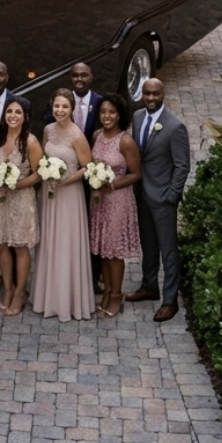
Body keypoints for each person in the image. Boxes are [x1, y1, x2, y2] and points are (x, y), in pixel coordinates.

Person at [125, 77, 190, 323]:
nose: (151, 98)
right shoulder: (138, 117)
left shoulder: (175, 127)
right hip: (141, 192)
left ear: (163, 94)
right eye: (147, 94)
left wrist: (171, 196)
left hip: (163, 198)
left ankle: (170, 300)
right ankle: (149, 285)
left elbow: (182, 166)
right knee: (148, 244)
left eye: (156, 94)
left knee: (168, 249)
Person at [30, 87, 95, 321]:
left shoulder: (77, 136)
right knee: (49, 242)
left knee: (66, 243)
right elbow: (44, 159)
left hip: (69, 196)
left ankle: (68, 300)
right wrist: (47, 176)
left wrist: (64, 181)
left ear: (72, 109)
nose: (60, 110)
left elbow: (88, 168)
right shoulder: (47, 130)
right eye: (56, 106)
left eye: (64, 106)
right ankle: (47, 296)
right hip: (49, 194)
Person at [88, 93, 142, 318]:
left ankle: (117, 294)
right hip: (99, 200)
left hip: (118, 199)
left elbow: (137, 174)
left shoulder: (125, 140)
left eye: (111, 112)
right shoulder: (96, 135)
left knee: (114, 251)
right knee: (104, 250)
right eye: (103, 112)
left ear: (119, 114)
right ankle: (107, 292)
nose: (106, 116)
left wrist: (112, 184)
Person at [0, 96, 41, 316]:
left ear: (25, 116)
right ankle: (7, 289)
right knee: (1, 244)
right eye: (9, 111)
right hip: (0, 200)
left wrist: (15, 185)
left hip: (21, 199)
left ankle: (20, 292)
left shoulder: (30, 141)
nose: (13, 116)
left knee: (20, 246)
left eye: (18, 112)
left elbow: (39, 174)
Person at [69, 62, 103, 290]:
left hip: (94, 176)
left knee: (93, 225)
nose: (79, 79)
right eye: (75, 75)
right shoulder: (61, 102)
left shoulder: (100, 103)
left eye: (84, 75)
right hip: (68, 175)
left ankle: (93, 276)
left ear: (91, 77)